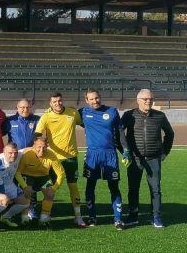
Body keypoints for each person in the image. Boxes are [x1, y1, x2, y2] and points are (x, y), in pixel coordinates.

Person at [121, 89, 174, 229]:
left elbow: (169, 133)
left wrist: (165, 151)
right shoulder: (128, 115)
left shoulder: (160, 116)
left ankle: (156, 216)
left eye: (150, 99)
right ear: (138, 100)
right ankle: (133, 215)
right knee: (133, 188)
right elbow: (119, 133)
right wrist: (125, 151)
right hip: (135, 159)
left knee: (155, 189)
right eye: (145, 99)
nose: (148, 101)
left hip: (153, 159)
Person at [79, 89, 127, 229]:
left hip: (109, 154)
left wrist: (126, 151)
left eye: (97, 98)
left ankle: (118, 220)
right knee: (90, 186)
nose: (95, 101)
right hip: (92, 155)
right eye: (91, 99)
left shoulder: (112, 111)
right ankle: (92, 218)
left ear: (100, 97)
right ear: (86, 101)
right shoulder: (82, 112)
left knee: (114, 187)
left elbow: (119, 132)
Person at [35, 92, 85, 227]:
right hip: (54, 158)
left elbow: (85, 124)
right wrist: (42, 144)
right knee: (50, 188)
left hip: (71, 158)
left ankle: (78, 216)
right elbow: (37, 134)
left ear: (63, 101)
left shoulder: (73, 113)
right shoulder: (46, 116)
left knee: (73, 187)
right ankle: (46, 214)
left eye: (59, 101)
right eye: (54, 102)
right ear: (50, 104)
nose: (58, 103)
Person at [15, 137, 66, 227]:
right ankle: (24, 218)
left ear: (47, 146)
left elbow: (61, 174)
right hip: (28, 175)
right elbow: (18, 172)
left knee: (50, 194)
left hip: (43, 177)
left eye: (44, 147)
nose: (41, 150)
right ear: (34, 146)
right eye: (39, 147)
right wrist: (24, 186)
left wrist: (54, 189)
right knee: (28, 192)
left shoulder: (51, 155)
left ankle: (44, 218)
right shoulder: (27, 154)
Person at [0, 142, 31, 228]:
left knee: (25, 202)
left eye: (15, 152)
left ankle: (6, 217)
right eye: (10, 153)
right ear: (4, 152)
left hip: (10, 185)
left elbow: (29, 149)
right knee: (3, 200)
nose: (13, 155)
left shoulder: (19, 154)